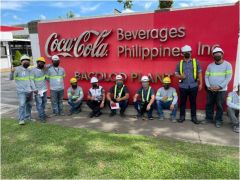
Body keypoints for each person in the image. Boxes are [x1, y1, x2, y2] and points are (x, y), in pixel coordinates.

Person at [205, 47, 233, 128]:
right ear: (213, 56)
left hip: (221, 90)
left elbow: (228, 77)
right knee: (209, 104)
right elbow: (206, 77)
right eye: (215, 54)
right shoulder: (210, 66)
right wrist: (208, 86)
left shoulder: (228, 65)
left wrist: (219, 86)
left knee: (219, 105)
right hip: (210, 89)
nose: (217, 55)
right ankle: (208, 119)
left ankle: (218, 120)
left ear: (222, 54)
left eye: (218, 54)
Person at [175, 45, 202, 124]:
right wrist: (180, 76)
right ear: (182, 54)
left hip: (194, 86)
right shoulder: (179, 63)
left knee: (193, 102)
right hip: (183, 86)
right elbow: (176, 73)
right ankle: (182, 117)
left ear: (191, 53)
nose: (186, 53)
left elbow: (200, 73)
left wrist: (200, 84)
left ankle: (194, 118)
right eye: (184, 52)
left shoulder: (196, 62)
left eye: (188, 52)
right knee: (182, 102)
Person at [14, 55, 36, 125]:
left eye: (28, 60)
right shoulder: (17, 69)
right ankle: (21, 119)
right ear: (21, 62)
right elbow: (11, 78)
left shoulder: (30, 70)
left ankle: (28, 117)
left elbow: (31, 80)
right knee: (22, 105)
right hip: (21, 91)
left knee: (29, 105)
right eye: (24, 60)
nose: (26, 62)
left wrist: (34, 89)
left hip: (29, 91)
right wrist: (11, 72)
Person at [31, 57, 48, 122]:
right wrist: (34, 89)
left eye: (43, 63)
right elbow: (31, 80)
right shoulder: (33, 71)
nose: (41, 63)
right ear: (37, 63)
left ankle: (43, 114)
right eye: (40, 62)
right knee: (39, 103)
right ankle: (41, 117)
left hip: (44, 89)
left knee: (44, 103)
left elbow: (46, 78)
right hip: (37, 91)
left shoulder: (43, 70)